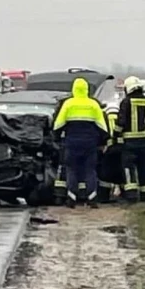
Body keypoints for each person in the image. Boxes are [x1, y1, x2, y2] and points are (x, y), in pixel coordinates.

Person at [53, 77, 109, 207]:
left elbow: (58, 124)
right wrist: (104, 141)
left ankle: (71, 198)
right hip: (90, 143)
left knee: (71, 169)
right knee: (90, 170)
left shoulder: (68, 104)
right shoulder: (93, 104)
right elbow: (102, 126)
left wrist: (56, 137)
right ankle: (92, 198)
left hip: (72, 143)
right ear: (87, 90)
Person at [113, 76, 145, 202]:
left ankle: (131, 195)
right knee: (144, 168)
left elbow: (120, 122)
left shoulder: (126, 102)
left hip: (129, 142)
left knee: (128, 168)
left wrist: (115, 136)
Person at [97, 102, 125, 203]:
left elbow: (101, 132)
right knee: (122, 173)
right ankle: (125, 195)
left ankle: (104, 196)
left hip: (108, 150)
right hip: (122, 149)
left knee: (105, 174)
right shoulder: (122, 116)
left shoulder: (103, 116)